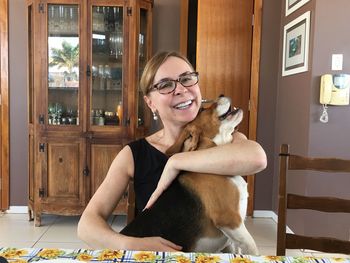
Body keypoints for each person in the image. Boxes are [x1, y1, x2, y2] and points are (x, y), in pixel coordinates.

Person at [77, 51, 267, 252]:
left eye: (187, 79)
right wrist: (132, 245)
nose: (181, 89)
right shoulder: (134, 154)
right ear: (150, 102)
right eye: (166, 85)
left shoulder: (223, 135)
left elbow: (258, 158)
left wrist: (176, 162)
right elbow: (86, 226)